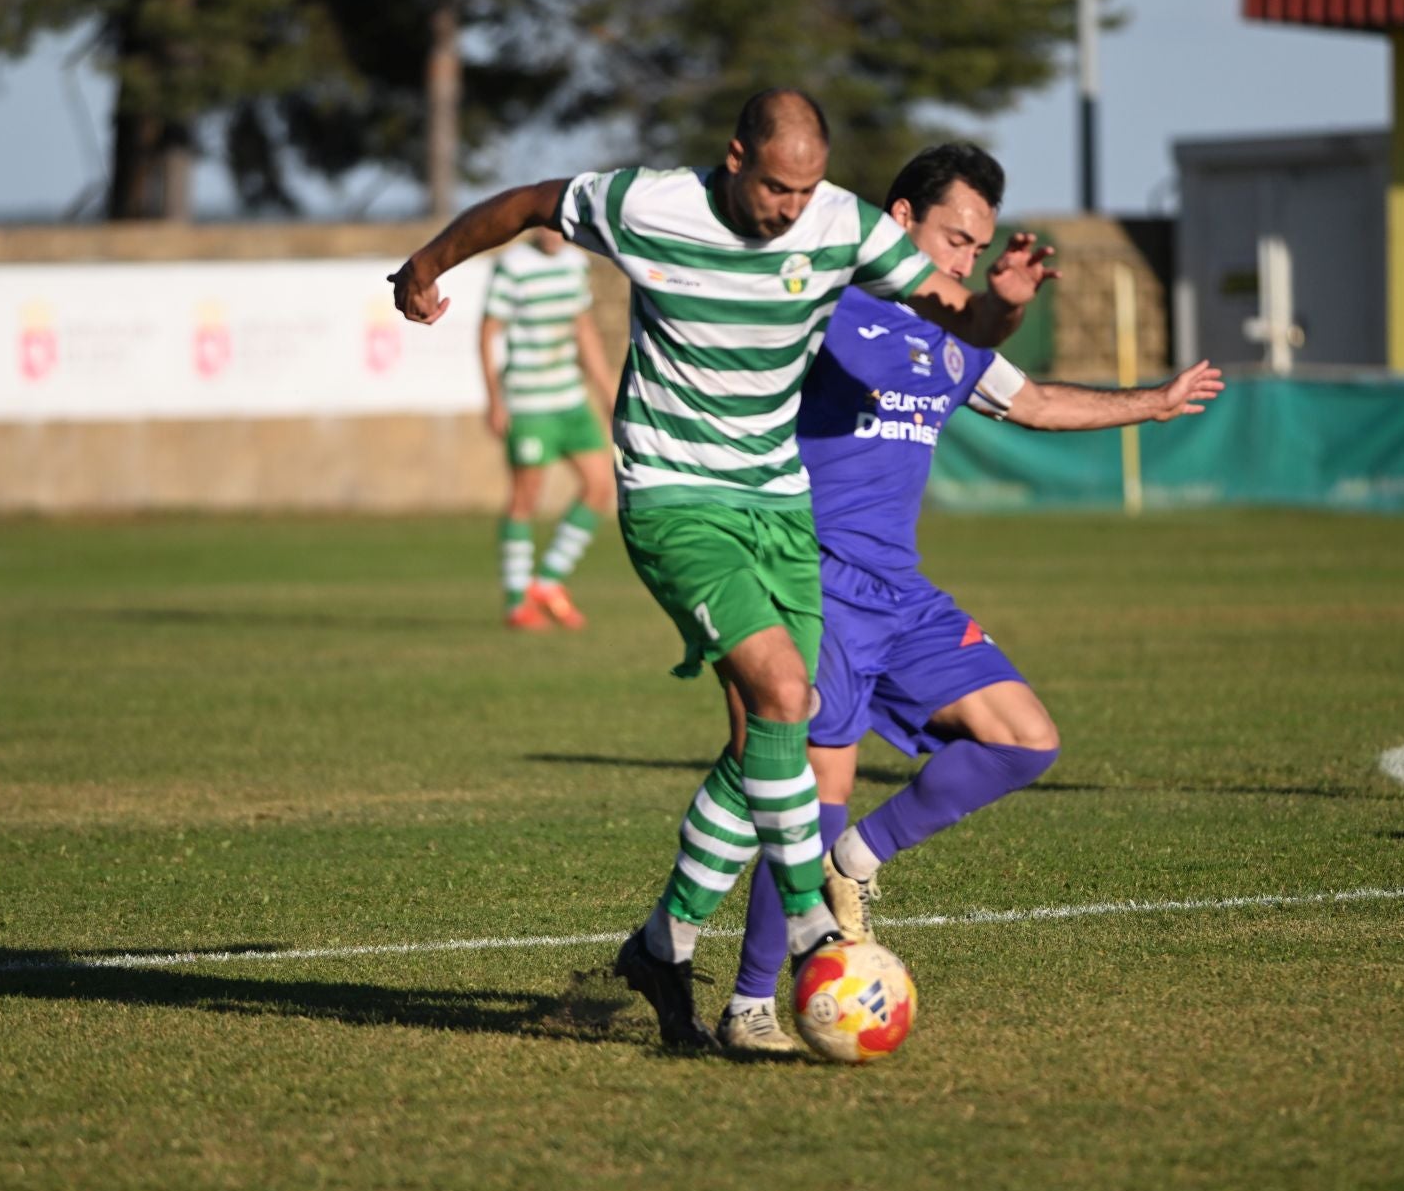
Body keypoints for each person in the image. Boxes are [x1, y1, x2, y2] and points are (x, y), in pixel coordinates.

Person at [390, 88, 1054, 1050]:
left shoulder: (842, 223)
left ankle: (664, 945)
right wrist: (427, 263)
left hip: (777, 505)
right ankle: (813, 927)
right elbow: (532, 201)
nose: (792, 209)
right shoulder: (650, 204)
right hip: (674, 499)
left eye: (808, 191)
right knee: (785, 696)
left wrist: (1006, 304)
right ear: (736, 158)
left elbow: (963, 318)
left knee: (764, 743)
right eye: (777, 188)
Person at [713, 142, 1223, 1053]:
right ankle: (751, 1005)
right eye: (954, 239)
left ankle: (854, 862)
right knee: (812, 799)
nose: (965, 260)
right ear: (900, 220)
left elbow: (1036, 402)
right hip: (815, 585)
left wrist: (1152, 402)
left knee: (1025, 738)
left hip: (900, 593)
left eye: (978, 249)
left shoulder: (954, 336)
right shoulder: (826, 306)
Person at [478, 229, 618, 631]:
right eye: (545, 223)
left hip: (570, 399)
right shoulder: (513, 266)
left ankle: (547, 582)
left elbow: (583, 329)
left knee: (599, 487)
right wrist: (495, 398)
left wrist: (606, 392)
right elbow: (488, 332)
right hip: (529, 403)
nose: (553, 232)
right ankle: (516, 600)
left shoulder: (575, 263)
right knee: (526, 497)